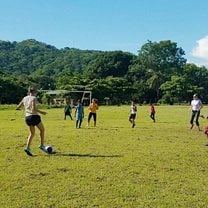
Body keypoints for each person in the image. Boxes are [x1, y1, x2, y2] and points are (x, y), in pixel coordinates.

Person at [16, 87, 47, 156]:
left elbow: (18, 107)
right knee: (42, 130)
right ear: (34, 92)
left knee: (32, 133)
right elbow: (33, 109)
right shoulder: (34, 98)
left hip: (27, 117)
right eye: (36, 92)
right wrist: (42, 112)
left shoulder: (24, 98)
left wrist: (25, 109)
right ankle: (42, 145)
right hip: (34, 116)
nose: (37, 94)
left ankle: (27, 148)